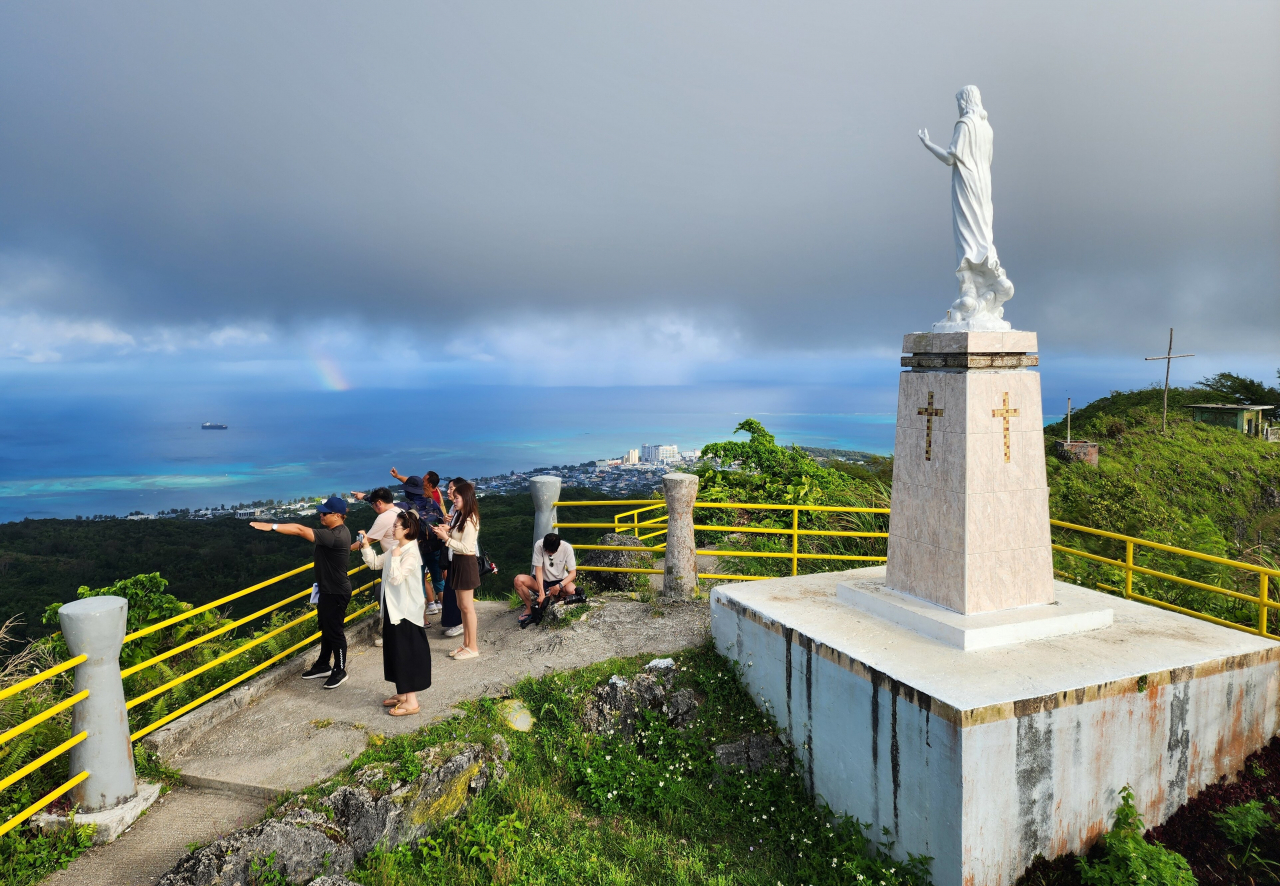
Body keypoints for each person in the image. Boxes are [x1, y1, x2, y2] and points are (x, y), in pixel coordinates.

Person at [250, 496, 353, 689]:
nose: (320, 515)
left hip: (336, 592)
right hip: (327, 590)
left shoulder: (336, 535)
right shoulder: (336, 531)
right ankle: (323, 664)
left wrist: (271, 526)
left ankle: (340, 670)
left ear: (338, 515)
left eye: (325, 513)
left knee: (336, 632)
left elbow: (299, 530)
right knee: (326, 629)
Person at [360, 509, 431, 716]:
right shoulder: (396, 549)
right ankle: (403, 693)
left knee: (405, 654)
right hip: (393, 608)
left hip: (406, 612)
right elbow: (375, 564)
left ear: (407, 529)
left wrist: (397, 557)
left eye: (396, 526)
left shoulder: (410, 552)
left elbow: (396, 578)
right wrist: (365, 545)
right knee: (395, 652)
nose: (392, 529)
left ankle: (412, 701)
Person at [431, 478, 480, 659]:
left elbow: (467, 548)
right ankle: (466, 644)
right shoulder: (461, 516)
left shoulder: (470, 519)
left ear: (466, 498)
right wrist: (448, 530)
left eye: (457, 497)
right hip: (458, 563)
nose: (454, 499)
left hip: (466, 563)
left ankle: (473, 647)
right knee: (461, 606)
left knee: (467, 608)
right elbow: (457, 536)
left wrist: (446, 538)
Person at [347, 487, 402, 647]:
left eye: (373, 504)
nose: (372, 508)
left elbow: (367, 540)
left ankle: (392, 636)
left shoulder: (384, 518)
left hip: (393, 563)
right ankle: (398, 634)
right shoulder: (398, 511)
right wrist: (364, 497)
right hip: (402, 560)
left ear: (379, 503)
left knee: (387, 598)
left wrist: (345, 548)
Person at [514, 533, 579, 628]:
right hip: (541, 580)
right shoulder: (539, 545)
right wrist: (541, 593)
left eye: (551, 551)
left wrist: (559, 586)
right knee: (518, 580)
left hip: (560, 580)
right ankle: (529, 608)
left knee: (573, 591)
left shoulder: (567, 548)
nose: (548, 553)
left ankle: (556, 596)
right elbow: (538, 569)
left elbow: (573, 573)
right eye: (547, 550)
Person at [437, 478, 464, 639]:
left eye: (451, 488)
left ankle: (459, 623)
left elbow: (461, 536)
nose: (448, 491)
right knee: (450, 590)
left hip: (459, 557)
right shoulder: (455, 508)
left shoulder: (464, 511)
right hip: (452, 555)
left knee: (456, 592)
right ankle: (453, 622)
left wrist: (446, 531)